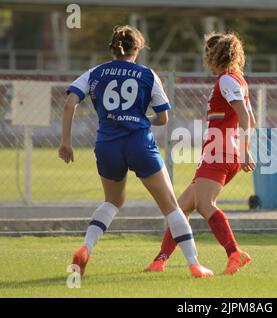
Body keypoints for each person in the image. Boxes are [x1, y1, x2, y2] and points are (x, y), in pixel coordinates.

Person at [58, 25, 213, 278]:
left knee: (113, 202)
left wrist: (66, 142)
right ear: (137, 49)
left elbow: (69, 104)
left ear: (112, 49)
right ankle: (194, 263)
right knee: (171, 207)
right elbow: (163, 118)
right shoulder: (147, 74)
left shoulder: (95, 72)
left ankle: (86, 247)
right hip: (139, 143)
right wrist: (138, 119)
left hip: (107, 145)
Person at [145, 32, 256, 275]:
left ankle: (234, 253)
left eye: (207, 52)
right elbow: (251, 118)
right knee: (181, 207)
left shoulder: (226, 80)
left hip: (221, 152)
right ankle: (159, 260)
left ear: (215, 54)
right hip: (221, 152)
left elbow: (246, 118)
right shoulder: (236, 79)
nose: (206, 57)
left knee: (205, 205)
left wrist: (246, 151)